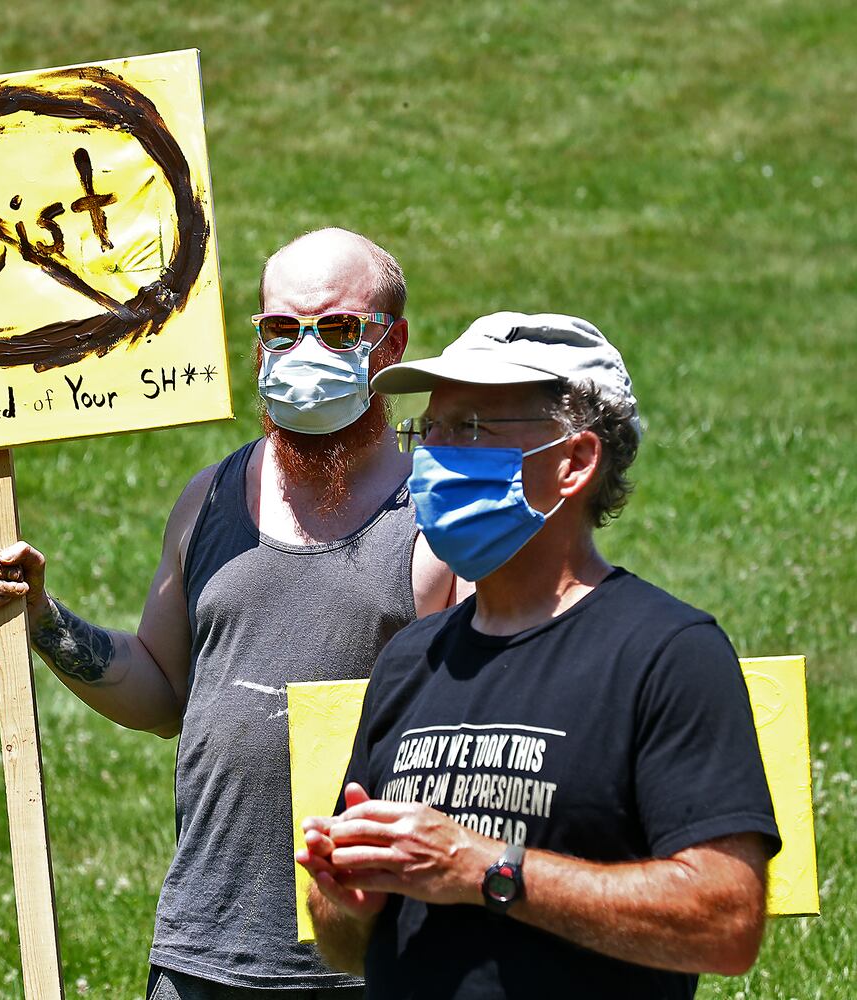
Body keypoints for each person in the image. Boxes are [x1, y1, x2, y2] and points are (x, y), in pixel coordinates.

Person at [0, 229, 469, 998]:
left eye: (336, 330)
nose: (303, 352)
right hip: (202, 947)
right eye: (279, 330)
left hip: (363, 960)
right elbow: (162, 691)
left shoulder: (439, 524)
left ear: (389, 344)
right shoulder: (207, 501)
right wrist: (39, 616)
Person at [297, 312, 781, 1000]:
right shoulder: (411, 658)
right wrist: (346, 895)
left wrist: (481, 869)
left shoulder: (667, 653)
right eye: (428, 431)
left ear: (575, 462)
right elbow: (347, 950)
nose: (431, 457)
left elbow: (726, 921)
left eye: (469, 430)